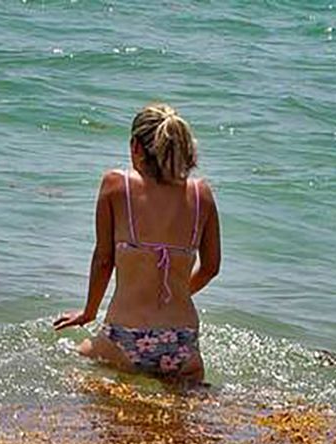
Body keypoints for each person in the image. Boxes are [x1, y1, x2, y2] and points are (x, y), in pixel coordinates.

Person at [54, 104, 221, 383]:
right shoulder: (201, 193)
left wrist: (89, 312)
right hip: (183, 340)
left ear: (136, 147)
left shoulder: (116, 185)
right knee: (180, 424)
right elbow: (211, 267)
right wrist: (177, 293)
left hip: (125, 337)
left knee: (66, 365)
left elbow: (104, 260)